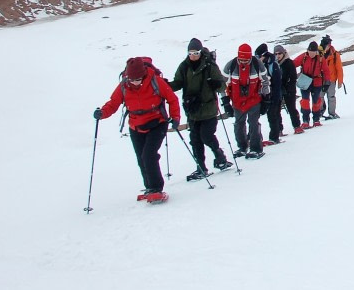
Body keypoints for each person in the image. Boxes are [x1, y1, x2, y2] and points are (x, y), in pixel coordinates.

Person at [93, 56, 181, 202]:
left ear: (144, 74)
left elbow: (172, 99)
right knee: (141, 157)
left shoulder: (155, 81)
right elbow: (113, 104)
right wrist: (102, 113)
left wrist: (175, 117)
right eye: (132, 79)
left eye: (138, 79)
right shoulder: (124, 85)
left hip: (157, 122)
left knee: (148, 154)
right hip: (136, 125)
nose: (135, 82)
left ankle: (156, 188)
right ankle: (149, 187)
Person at [168, 38, 231, 180]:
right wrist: (165, 86)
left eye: (196, 52)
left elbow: (223, 86)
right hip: (193, 110)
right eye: (190, 53)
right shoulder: (184, 67)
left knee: (207, 136)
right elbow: (178, 83)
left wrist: (216, 84)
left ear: (200, 52)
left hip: (208, 109)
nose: (193, 55)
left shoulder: (209, 66)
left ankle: (220, 157)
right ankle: (201, 167)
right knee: (195, 140)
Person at [222, 43, 269, 159]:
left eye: (246, 60)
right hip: (237, 101)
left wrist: (266, 98)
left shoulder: (258, 65)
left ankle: (255, 148)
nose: (243, 62)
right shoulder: (231, 66)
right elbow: (222, 84)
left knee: (253, 123)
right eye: (241, 59)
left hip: (254, 100)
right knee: (239, 124)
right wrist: (225, 101)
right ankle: (242, 147)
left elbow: (265, 82)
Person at [292, 41, 327, 127]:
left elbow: (326, 71)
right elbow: (293, 64)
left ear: (316, 51)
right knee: (305, 101)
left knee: (316, 101)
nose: (311, 53)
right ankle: (305, 120)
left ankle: (316, 119)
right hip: (305, 82)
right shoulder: (303, 56)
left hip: (317, 82)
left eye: (313, 52)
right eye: (310, 51)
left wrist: (327, 82)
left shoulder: (321, 59)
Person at [255, 44, 284, 145]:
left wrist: (275, 98)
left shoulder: (273, 65)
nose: (258, 59)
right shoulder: (261, 65)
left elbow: (277, 83)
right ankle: (256, 138)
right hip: (264, 95)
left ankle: (274, 137)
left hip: (274, 95)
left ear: (264, 55)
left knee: (273, 115)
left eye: (259, 57)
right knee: (256, 117)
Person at [273, 45, 302, 134]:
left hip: (289, 89)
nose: (278, 55)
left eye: (279, 53)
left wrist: (288, 86)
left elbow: (293, 77)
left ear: (283, 53)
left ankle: (297, 126)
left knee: (291, 108)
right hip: (278, 90)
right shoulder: (274, 64)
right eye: (276, 54)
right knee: (276, 110)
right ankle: (279, 129)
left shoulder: (289, 63)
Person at [320, 35, 345, 119]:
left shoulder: (335, 54)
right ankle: (320, 113)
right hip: (321, 79)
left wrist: (340, 81)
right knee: (320, 97)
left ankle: (332, 113)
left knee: (330, 97)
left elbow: (339, 68)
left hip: (331, 79)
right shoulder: (319, 54)